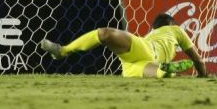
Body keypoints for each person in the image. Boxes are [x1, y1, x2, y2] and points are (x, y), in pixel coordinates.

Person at [41, 13, 207, 78]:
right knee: (160, 71)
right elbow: (198, 60)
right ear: (171, 23)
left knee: (105, 34)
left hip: (133, 60)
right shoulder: (175, 29)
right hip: (149, 52)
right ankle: (167, 71)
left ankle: (62, 51)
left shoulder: (151, 34)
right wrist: (203, 76)